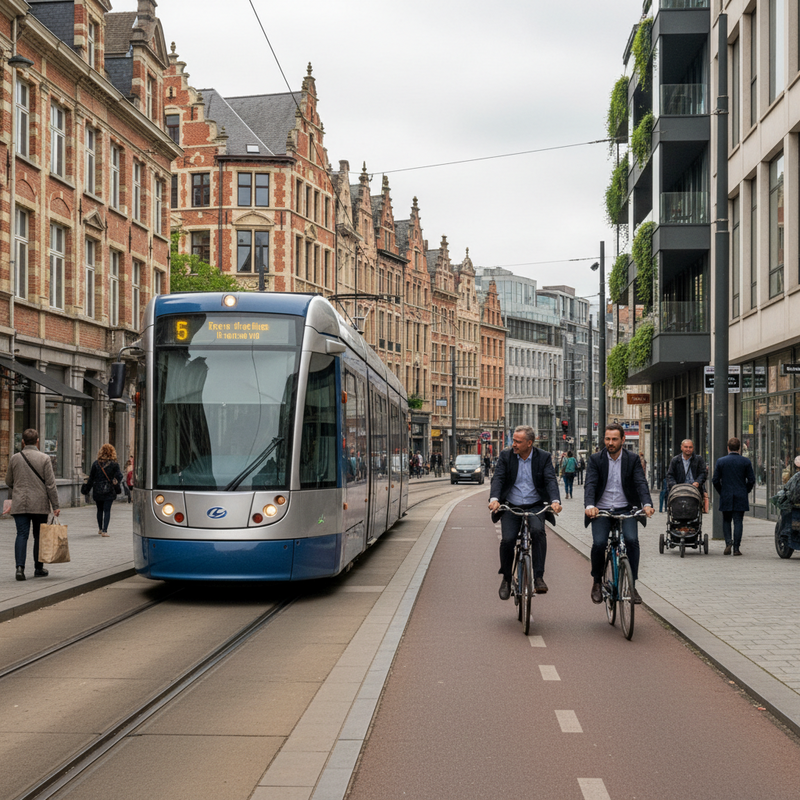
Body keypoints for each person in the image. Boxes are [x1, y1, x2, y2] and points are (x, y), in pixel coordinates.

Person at [584, 424, 654, 605]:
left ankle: (632, 585)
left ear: (623, 440)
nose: (610, 443)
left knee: (632, 541)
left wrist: (647, 504)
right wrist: (590, 505)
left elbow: (640, 482)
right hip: (601, 510)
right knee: (599, 543)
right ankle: (597, 582)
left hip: (626, 508)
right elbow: (590, 483)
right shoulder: (595, 459)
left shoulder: (632, 459)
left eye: (614, 439)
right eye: (607, 439)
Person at [488, 425, 562, 599]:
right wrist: (494, 499)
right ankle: (506, 578)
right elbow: (498, 478)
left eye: (518, 441)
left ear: (529, 443)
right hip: (511, 505)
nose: (513, 444)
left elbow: (550, 480)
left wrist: (555, 501)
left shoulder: (543, 457)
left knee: (538, 532)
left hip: (535, 505)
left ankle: (538, 577)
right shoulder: (506, 456)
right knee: (508, 540)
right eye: (513, 440)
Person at [5, 428, 61, 580]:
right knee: (38, 536)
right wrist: (55, 506)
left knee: (21, 534)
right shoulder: (45, 458)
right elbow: (50, 484)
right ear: (37, 441)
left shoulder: (15, 458)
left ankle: (19, 568)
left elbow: (8, 481)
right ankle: (38, 568)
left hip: (20, 503)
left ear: (23, 441)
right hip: (39, 504)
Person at [711, 437, 756, 556]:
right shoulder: (745, 462)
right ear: (739, 448)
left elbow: (715, 480)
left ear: (728, 448)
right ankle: (736, 548)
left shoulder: (721, 461)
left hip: (726, 495)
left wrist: (722, 491)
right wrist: (745, 491)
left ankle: (728, 543)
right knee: (738, 521)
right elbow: (751, 480)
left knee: (726, 520)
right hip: (740, 495)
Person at [84, 443, 124, 537]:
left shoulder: (96, 464)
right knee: (107, 510)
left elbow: (91, 478)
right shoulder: (114, 464)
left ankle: (100, 528)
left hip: (97, 490)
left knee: (99, 510)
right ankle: (105, 531)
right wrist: (114, 480)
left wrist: (87, 489)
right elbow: (120, 476)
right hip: (109, 490)